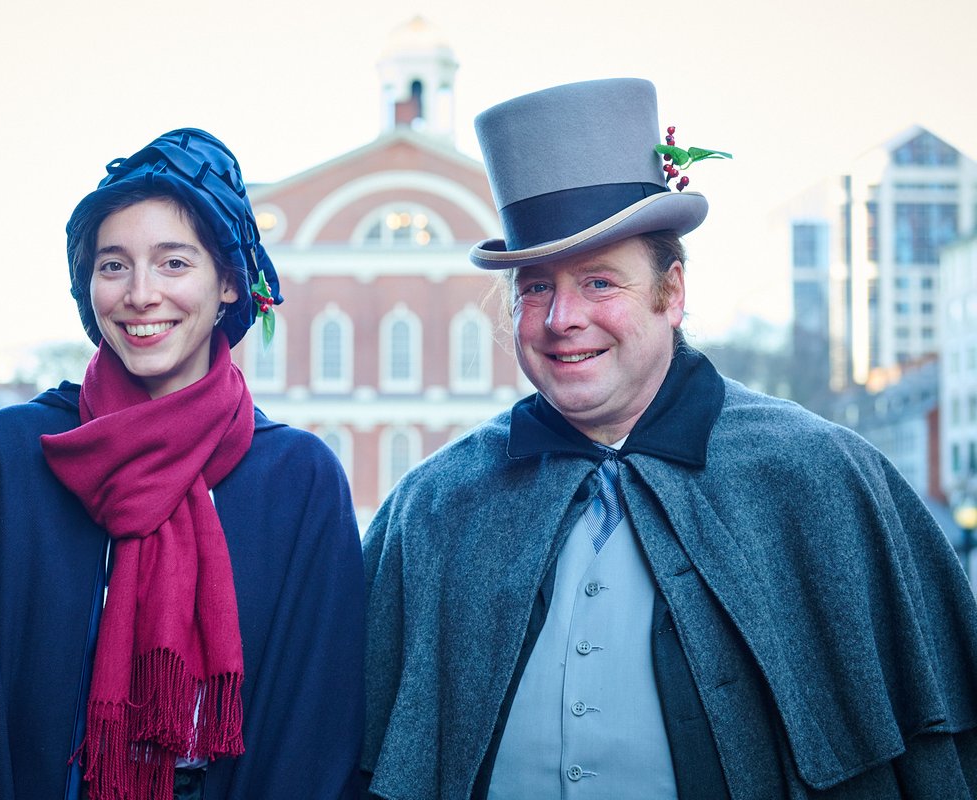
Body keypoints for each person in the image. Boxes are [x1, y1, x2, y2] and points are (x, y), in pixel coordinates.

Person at [362, 78, 977, 799]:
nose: (562, 318)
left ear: (672, 293)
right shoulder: (433, 504)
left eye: (598, 283)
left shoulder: (823, 475)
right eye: (535, 288)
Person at [0, 129, 365, 800]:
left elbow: (318, 723)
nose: (141, 294)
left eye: (173, 263)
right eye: (113, 265)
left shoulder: (297, 479)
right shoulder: (3, 462)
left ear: (229, 282)